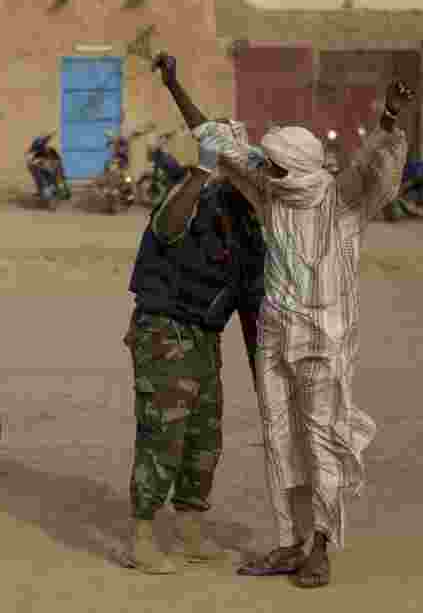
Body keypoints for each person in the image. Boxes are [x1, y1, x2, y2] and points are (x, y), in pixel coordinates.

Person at [153, 52, 414, 588]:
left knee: (318, 441)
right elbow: (215, 139)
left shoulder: (341, 199)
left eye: (273, 163)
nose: (263, 168)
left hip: (322, 340)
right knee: (277, 439)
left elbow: (375, 164)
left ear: (296, 166)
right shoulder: (267, 189)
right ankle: (289, 541)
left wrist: (388, 119)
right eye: (264, 164)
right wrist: (173, 81)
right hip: (274, 333)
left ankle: (320, 544)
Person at [122, 130, 266, 574]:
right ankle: (141, 540)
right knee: (164, 435)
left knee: (204, 439)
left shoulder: (250, 228)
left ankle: (190, 534)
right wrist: (202, 169)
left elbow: (250, 310)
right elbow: (165, 228)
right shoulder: (196, 195)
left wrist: (264, 380)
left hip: (205, 338)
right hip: (165, 331)